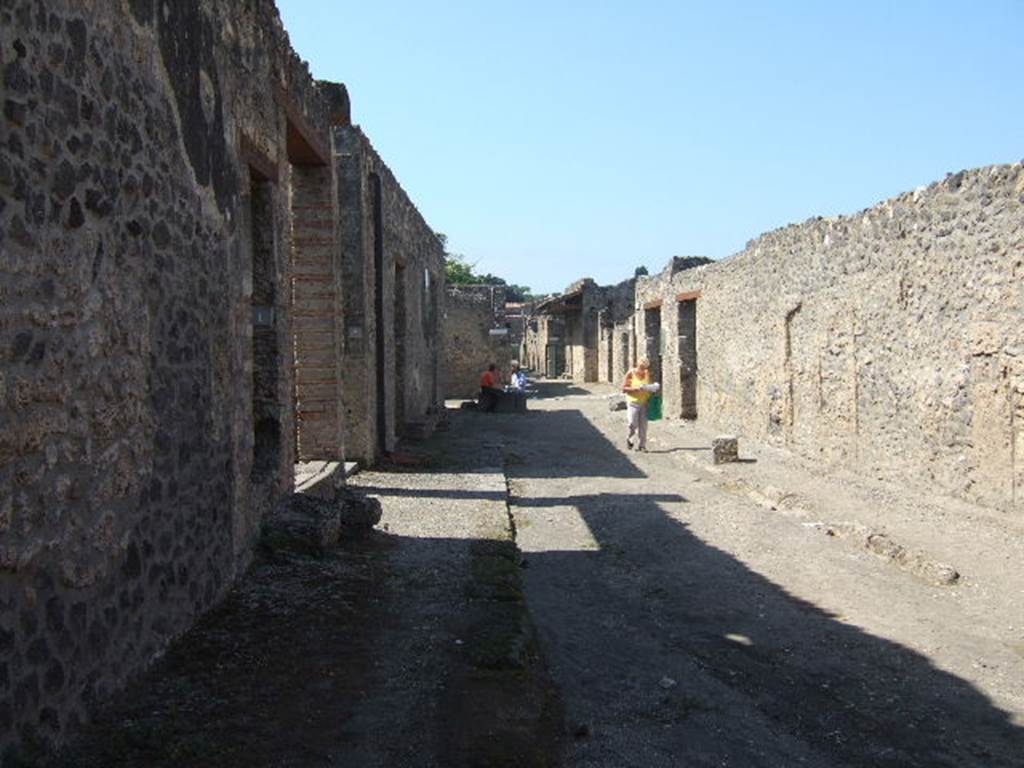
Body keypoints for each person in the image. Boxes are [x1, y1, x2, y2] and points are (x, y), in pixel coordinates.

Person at [621, 357, 656, 451]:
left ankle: (642, 445)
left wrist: (652, 388)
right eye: (641, 367)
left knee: (643, 426)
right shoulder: (631, 373)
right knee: (632, 423)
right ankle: (629, 438)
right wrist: (635, 389)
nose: (643, 369)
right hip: (633, 403)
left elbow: (649, 385)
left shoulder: (647, 373)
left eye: (644, 367)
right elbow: (624, 389)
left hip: (645, 403)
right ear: (638, 365)